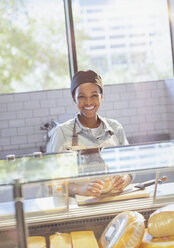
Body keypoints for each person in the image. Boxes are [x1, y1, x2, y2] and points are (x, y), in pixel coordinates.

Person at [46, 70, 132, 196]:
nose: (88, 102)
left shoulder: (115, 128)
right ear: (74, 99)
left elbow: (131, 167)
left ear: (101, 96)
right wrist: (79, 189)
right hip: (77, 206)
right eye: (82, 97)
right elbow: (52, 180)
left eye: (94, 95)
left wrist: (125, 179)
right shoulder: (62, 133)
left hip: (113, 199)